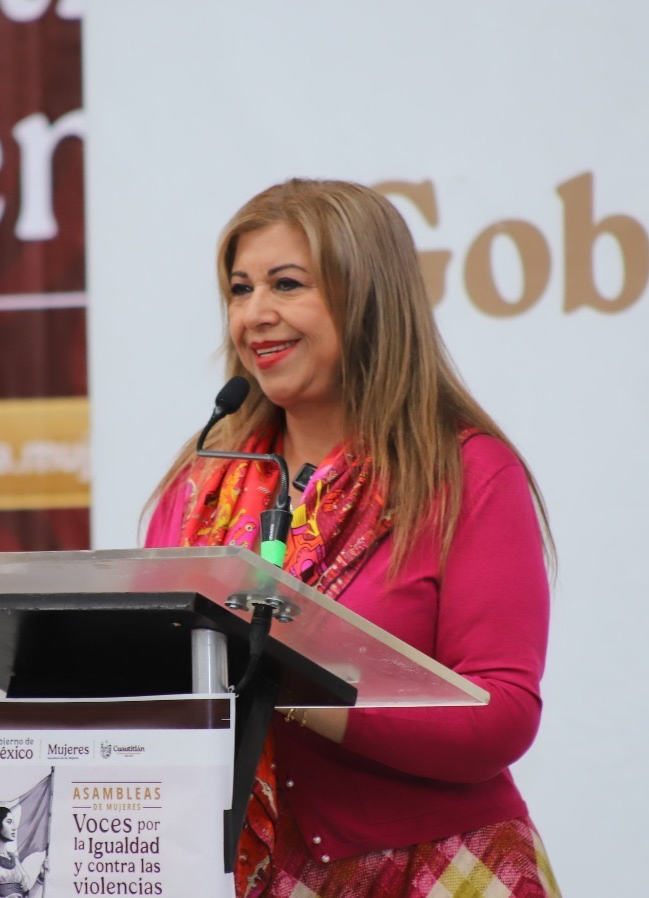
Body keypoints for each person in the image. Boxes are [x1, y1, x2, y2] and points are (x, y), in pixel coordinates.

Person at [144, 179, 561, 898]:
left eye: (286, 284)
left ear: (366, 298)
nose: (254, 315)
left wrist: (295, 694)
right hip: (235, 874)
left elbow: (500, 716)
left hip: (430, 867)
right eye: (240, 290)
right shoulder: (203, 483)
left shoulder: (463, 473)